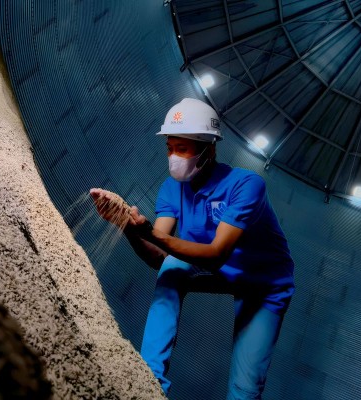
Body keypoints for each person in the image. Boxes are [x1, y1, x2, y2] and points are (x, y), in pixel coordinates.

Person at [91, 97, 294, 399]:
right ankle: (148, 380)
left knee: (245, 387)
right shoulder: (172, 188)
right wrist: (127, 227)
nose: (173, 157)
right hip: (217, 268)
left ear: (209, 149)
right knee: (171, 270)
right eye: (170, 148)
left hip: (264, 284)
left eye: (182, 149)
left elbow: (216, 255)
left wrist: (148, 231)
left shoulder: (246, 185)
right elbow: (158, 256)